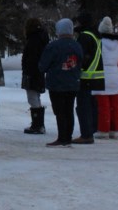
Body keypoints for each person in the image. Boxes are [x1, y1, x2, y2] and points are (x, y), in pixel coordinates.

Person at [38, 18, 83, 147]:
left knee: (60, 111)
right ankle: (67, 136)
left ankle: (62, 137)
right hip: (73, 82)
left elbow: (43, 65)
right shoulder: (77, 45)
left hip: (57, 83)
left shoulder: (53, 46)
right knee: (69, 110)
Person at [74, 12, 103, 144]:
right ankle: (91, 130)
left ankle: (86, 134)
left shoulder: (85, 36)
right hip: (96, 76)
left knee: (83, 106)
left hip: (86, 76)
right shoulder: (96, 35)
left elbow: (81, 56)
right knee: (91, 105)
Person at [94, 16, 118, 139]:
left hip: (102, 74)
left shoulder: (99, 42)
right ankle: (114, 129)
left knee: (103, 104)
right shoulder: (117, 43)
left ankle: (103, 130)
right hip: (115, 75)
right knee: (115, 104)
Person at [21, 17, 50, 135]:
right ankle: (39, 123)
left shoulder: (33, 39)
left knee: (32, 97)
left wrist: (27, 70)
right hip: (39, 71)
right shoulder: (42, 37)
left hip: (32, 72)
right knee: (35, 96)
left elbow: (31, 57)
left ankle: (37, 124)